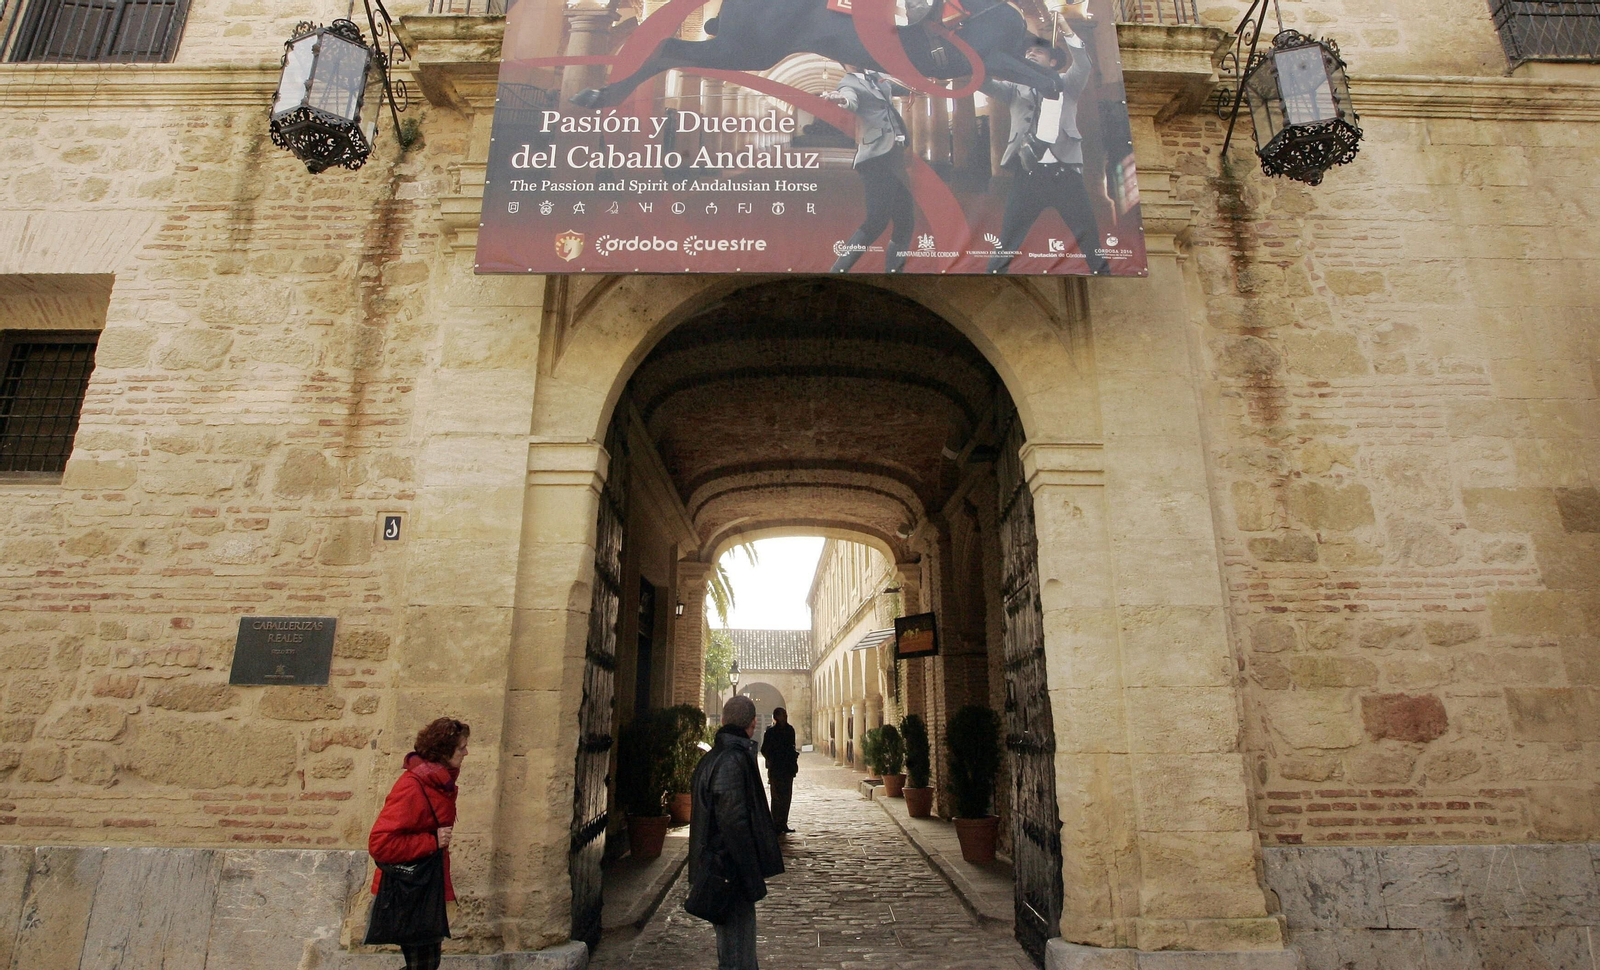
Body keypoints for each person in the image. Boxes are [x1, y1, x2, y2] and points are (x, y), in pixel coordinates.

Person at [981, 15, 1114, 275]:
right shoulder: (1015, 88)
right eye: (1027, 52)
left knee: (1089, 237)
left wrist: (1066, 29)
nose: (1030, 54)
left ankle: (1105, 276)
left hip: (1066, 174)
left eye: (1038, 52)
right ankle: (992, 277)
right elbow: (985, 84)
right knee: (1007, 240)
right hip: (1028, 174)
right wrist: (983, 54)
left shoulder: (1067, 84)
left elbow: (1083, 64)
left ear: (1052, 61)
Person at [689, 695, 784, 970]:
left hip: (722, 869)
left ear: (722, 720)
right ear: (753, 724)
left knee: (735, 951)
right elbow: (733, 823)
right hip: (729, 872)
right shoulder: (732, 760)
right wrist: (750, 875)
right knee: (737, 955)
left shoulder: (716, 757)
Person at [369, 717, 471, 970]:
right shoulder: (413, 785)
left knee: (426, 965)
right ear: (444, 751)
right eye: (461, 748)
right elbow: (380, 843)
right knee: (423, 966)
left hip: (426, 886)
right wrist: (431, 840)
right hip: (410, 889)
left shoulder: (440, 783)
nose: (466, 753)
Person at [821, 65, 916, 273]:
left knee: (906, 220)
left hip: (894, 155)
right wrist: (840, 99)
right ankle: (837, 272)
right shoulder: (848, 82)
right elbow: (850, 100)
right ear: (846, 63)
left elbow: (900, 86)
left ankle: (894, 274)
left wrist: (918, 81)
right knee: (876, 221)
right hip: (876, 158)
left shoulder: (878, 76)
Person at [759, 707, 799, 833]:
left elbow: (792, 746)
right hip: (776, 768)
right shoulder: (771, 732)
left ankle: (783, 823)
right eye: (782, 715)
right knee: (776, 797)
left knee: (786, 796)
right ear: (776, 717)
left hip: (787, 768)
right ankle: (775, 823)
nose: (785, 716)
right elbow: (764, 749)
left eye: (785, 714)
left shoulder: (790, 730)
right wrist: (772, 759)